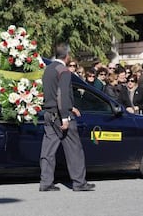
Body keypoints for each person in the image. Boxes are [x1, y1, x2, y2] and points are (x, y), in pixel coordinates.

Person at [40, 43, 95, 192]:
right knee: (74, 149)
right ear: (67, 55)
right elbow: (61, 94)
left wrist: (71, 106)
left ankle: (46, 182)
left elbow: (51, 93)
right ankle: (79, 182)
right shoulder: (63, 71)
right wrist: (65, 116)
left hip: (49, 113)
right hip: (60, 115)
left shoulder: (48, 69)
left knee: (48, 150)